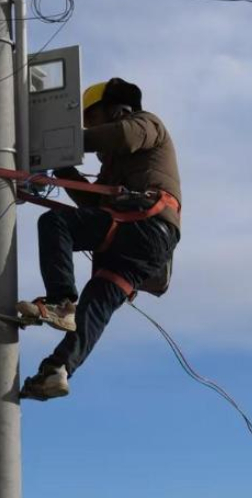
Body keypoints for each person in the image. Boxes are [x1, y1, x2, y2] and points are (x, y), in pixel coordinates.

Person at [18, 78, 182, 400]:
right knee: (94, 308)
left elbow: (120, 135)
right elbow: (93, 208)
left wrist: (61, 142)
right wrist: (63, 167)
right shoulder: (117, 167)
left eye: (93, 121)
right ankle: (57, 370)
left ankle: (60, 302)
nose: (92, 131)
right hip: (139, 246)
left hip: (144, 225)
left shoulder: (146, 124)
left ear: (117, 110)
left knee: (55, 224)